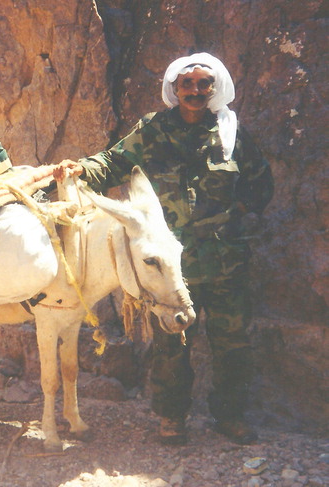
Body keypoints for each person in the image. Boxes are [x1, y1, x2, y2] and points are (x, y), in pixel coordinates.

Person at [53, 52, 274, 445]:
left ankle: (231, 416)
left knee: (233, 341)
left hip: (225, 262)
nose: (195, 90)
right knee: (170, 345)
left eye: (203, 84)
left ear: (214, 88)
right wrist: (82, 169)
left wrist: (233, 216)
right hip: (169, 266)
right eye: (186, 84)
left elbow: (261, 185)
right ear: (173, 89)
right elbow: (114, 161)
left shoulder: (232, 133)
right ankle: (172, 419)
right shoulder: (152, 130)